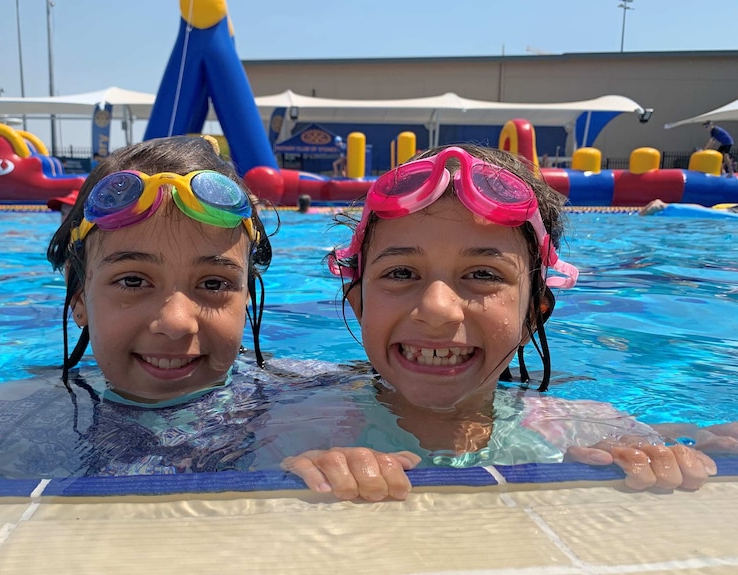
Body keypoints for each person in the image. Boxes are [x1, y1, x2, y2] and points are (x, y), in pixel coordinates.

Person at [0, 135, 351, 482]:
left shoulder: (323, 400)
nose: (174, 322)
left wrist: (360, 461)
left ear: (246, 297)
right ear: (80, 299)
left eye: (213, 283)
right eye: (132, 280)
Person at [283, 144, 735, 501]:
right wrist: (302, 467)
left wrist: (661, 460)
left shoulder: (583, 429)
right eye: (401, 273)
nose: (438, 308)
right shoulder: (290, 421)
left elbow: (690, 446)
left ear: (531, 317)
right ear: (358, 303)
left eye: (482, 275)